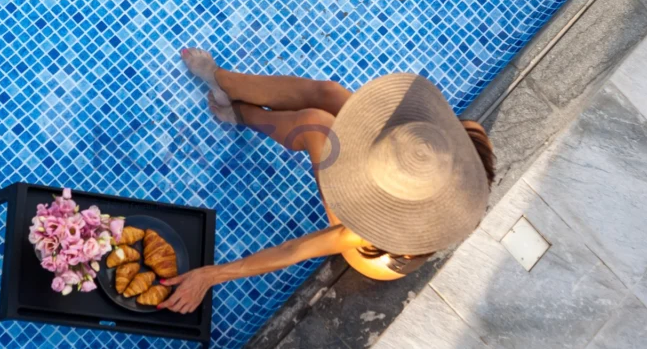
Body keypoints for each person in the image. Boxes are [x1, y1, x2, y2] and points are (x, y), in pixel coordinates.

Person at [158, 48, 496, 313]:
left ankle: (240, 114)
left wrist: (210, 275)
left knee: (315, 124)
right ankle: (223, 81)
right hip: (396, 176)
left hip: (374, 251)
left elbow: (295, 249)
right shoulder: (459, 144)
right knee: (329, 93)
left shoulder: (371, 231)